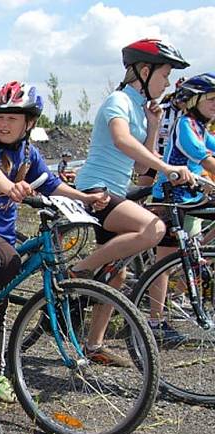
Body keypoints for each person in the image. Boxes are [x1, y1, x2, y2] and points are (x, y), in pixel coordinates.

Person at [0, 82, 109, 403]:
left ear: (29, 123)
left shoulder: (28, 154)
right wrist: (10, 187)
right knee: (8, 261)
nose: (4, 124)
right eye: (0, 117)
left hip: (3, 238)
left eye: (13, 118)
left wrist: (85, 198)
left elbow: (49, 183)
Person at [71, 38, 193, 364]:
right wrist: (168, 167)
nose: (167, 83)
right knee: (154, 228)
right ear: (143, 70)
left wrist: (153, 127)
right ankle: (78, 272)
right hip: (96, 189)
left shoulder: (140, 110)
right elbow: (121, 140)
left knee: (118, 277)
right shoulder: (118, 101)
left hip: (116, 192)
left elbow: (142, 166)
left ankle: (93, 346)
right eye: (164, 75)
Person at [147, 73, 215, 345]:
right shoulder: (185, 124)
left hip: (190, 199)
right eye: (210, 99)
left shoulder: (201, 128)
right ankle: (155, 321)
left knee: (184, 255)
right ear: (193, 100)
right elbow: (204, 157)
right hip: (171, 198)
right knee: (163, 263)